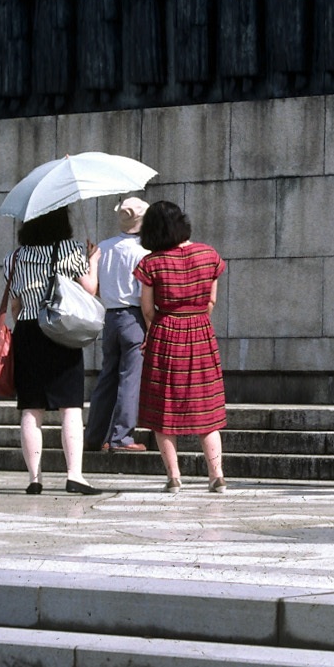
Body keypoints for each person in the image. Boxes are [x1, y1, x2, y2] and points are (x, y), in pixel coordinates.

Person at [135, 201, 228, 493]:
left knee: (164, 408)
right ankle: (217, 475)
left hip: (165, 333)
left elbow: (148, 310)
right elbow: (211, 301)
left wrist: (157, 331)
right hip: (201, 331)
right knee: (207, 407)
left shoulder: (151, 263)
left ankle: (174, 477)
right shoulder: (209, 255)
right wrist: (196, 320)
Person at [8, 208, 100, 495]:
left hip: (27, 331)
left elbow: (15, 304)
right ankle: (75, 475)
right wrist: (93, 260)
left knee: (31, 408)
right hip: (62, 331)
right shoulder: (71, 250)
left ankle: (34, 478)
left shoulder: (14, 258)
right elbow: (90, 289)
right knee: (70, 407)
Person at [84, 197, 151, 455]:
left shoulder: (103, 247)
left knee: (107, 378)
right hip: (134, 316)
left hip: (110, 317)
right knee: (130, 379)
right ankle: (121, 437)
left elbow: (96, 287)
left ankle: (94, 435)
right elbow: (145, 297)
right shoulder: (144, 251)